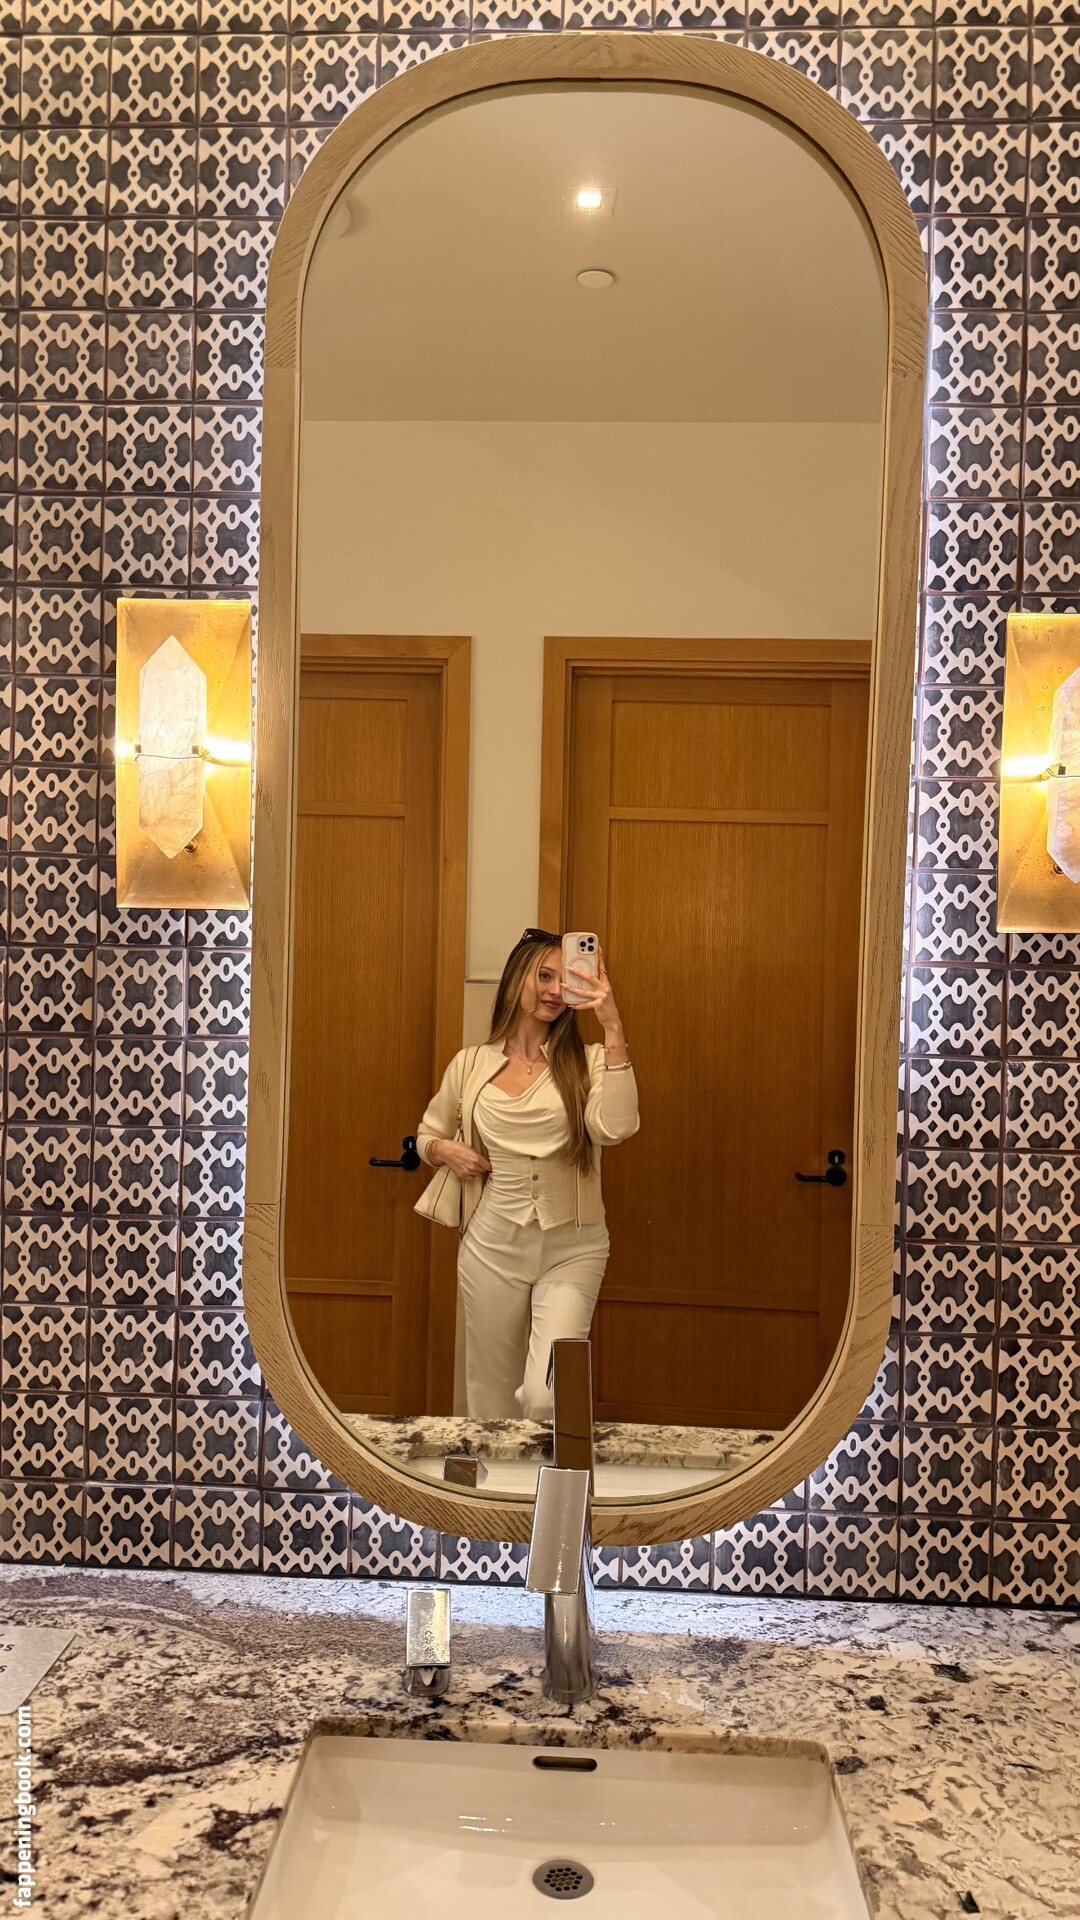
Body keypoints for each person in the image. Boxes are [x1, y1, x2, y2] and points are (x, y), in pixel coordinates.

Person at [416, 928, 639, 1421]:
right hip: (491, 1246)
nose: (556, 991)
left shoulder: (590, 1062)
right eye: (545, 976)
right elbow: (426, 1135)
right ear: (518, 977)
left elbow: (616, 1127)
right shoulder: (471, 1064)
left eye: (568, 979)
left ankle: (545, 1470)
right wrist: (445, 1150)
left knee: (545, 1397)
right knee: (491, 1396)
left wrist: (612, 1026)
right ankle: (495, 1475)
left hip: (574, 1249)